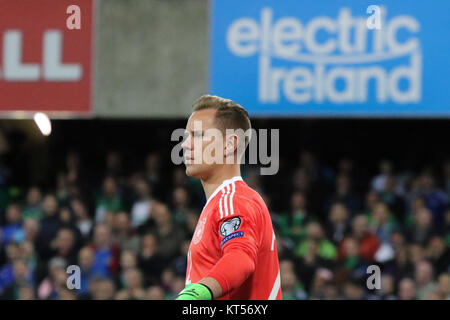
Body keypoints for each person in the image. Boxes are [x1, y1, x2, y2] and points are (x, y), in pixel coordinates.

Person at [176, 95, 281, 300]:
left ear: (228, 145)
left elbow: (240, 258)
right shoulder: (221, 203)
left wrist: (196, 294)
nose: (185, 145)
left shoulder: (233, 200)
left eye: (197, 135)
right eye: (186, 136)